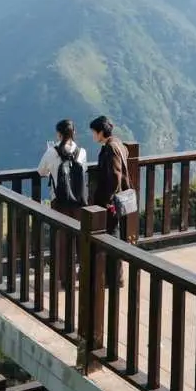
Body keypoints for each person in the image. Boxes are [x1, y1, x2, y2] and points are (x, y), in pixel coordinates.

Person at [37, 119, 88, 288]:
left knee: (62, 240)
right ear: (74, 133)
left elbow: (41, 171)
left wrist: (50, 154)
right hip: (79, 203)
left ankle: (66, 279)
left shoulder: (52, 152)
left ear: (58, 134)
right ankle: (84, 274)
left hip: (60, 202)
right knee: (81, 240)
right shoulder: (82, 152)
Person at [90, 115, 130, 287]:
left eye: (94, 132)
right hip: (116, 200)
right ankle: (113, 276)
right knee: (113, 236)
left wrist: (107, 201)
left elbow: (115, 175)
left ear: (100, 132)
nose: (93, 136)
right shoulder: (119, 144)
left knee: (111, 239)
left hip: (110, 202)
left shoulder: (110, 148)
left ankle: (115, 278)